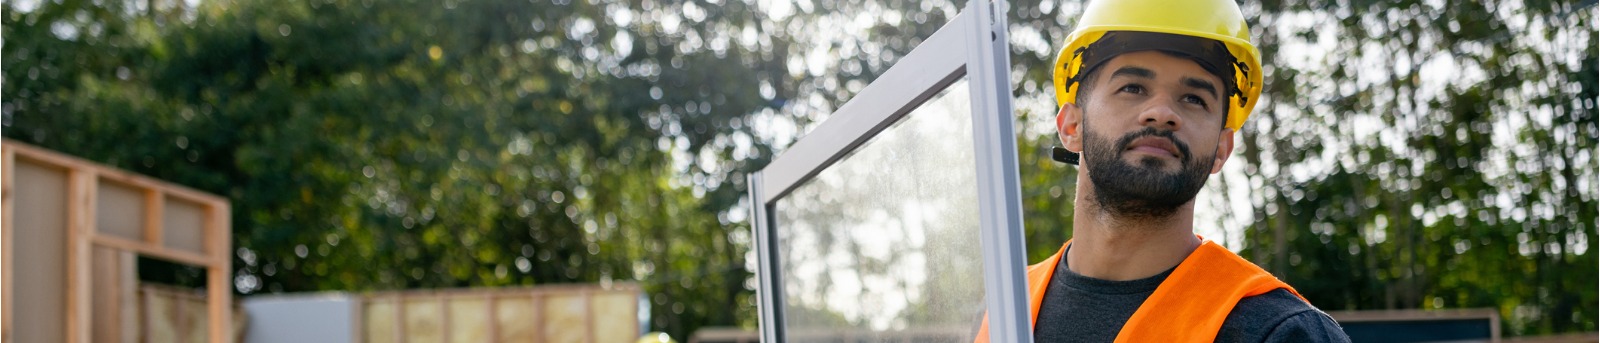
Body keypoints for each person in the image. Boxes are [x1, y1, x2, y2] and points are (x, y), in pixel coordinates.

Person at [974, 0, 1352, 341]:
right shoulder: (1007, 310)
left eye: (1193, 98)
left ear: (1222, 149)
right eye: (1133, 87)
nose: (1163, 113)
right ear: (1072, 127)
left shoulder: (1281, 331)